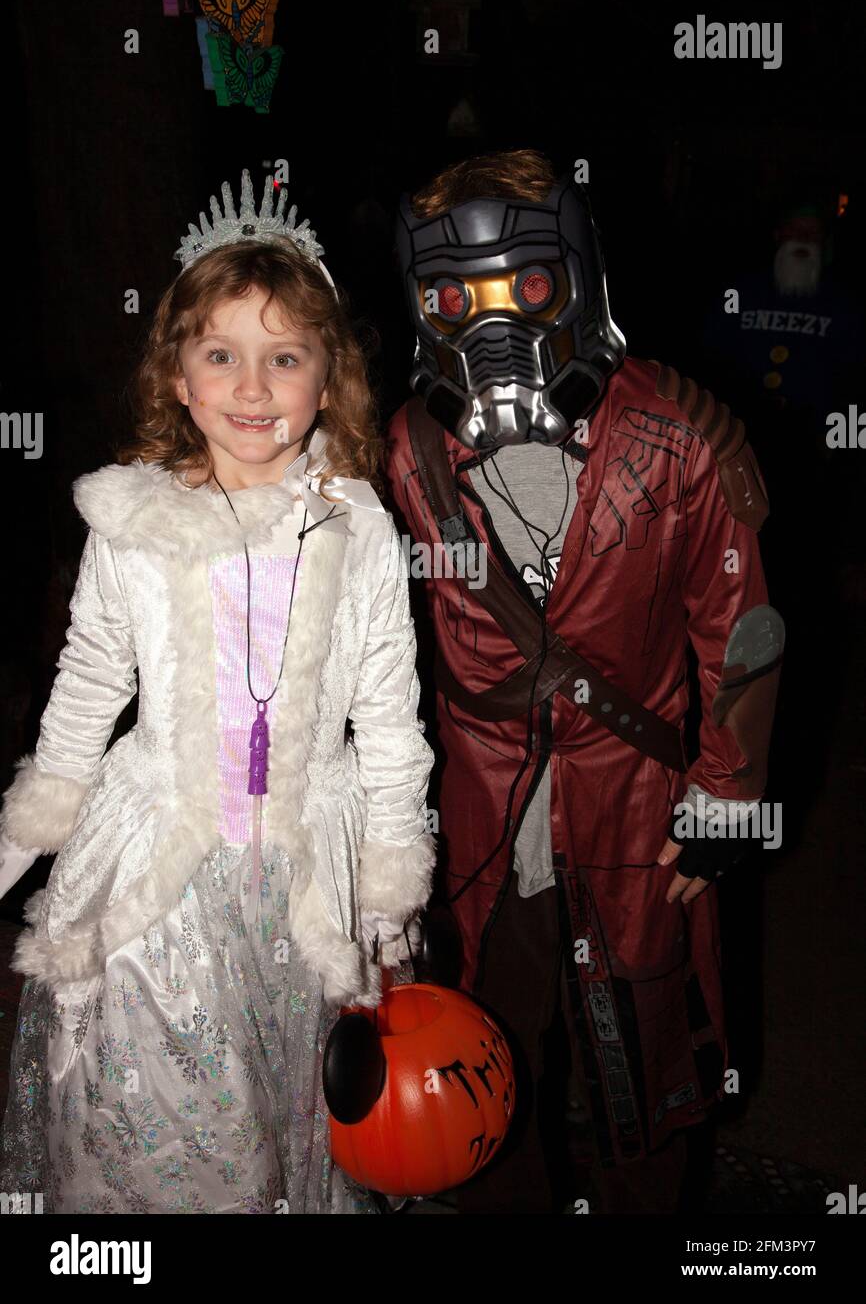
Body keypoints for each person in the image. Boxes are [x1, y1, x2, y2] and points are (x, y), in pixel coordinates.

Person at [0, 169, 435, 1214]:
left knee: (291, 1111)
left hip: (299, 882)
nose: (251, 387)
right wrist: (21, 836)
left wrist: (388, 889)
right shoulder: (132, 524)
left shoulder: (359, 529)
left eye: (283, 358)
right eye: (221, 356)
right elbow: (88, 683)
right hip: (158, 871)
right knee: (170, 1120)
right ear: (179, 380)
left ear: (326, 379)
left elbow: (387, 719)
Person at [384, 148, 784, 1214]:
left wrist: (724, 798)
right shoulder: (404, 455)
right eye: (449, 298)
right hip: (485, 810)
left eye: (521, 289)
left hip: (634, 804)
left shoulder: (677, 443)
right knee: (479, 1053)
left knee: (641, 1056)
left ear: (578, 274)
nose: (491, 327)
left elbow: (738, 630)